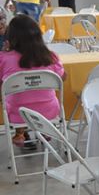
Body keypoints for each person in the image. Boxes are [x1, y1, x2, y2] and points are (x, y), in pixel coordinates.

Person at [0, 15, 66, 148]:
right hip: (49, 111)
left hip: (18, 114)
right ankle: (45, 130)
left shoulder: (3, 58)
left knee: (14, 98)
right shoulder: (50, 56)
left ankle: (20, 133)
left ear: (11, 38)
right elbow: (62, 78)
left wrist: (4, 52)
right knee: (40, 97)